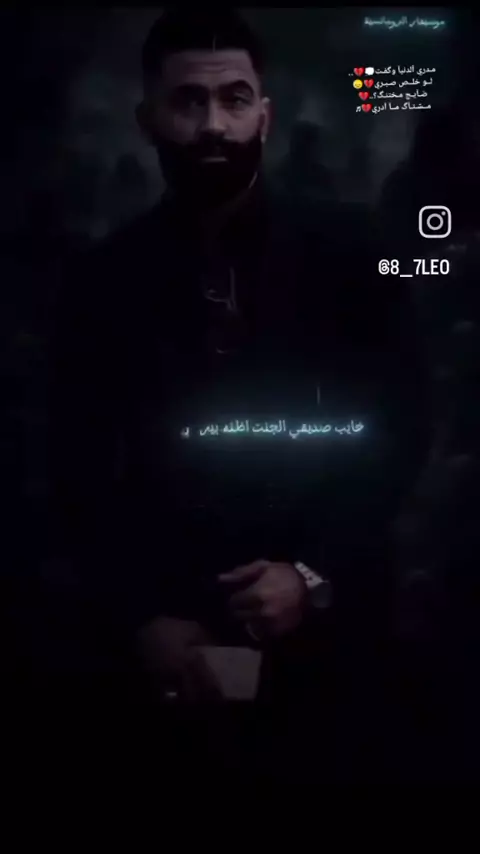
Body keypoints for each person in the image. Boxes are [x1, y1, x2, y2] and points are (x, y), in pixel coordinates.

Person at [47, 8, 430, 779]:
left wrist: (312, 574)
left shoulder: (352, 250)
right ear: (148, 119)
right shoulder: (100, 281)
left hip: (336, 656)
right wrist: (141, 616)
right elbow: (74, 468)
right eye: (189, 101)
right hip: (169, 652)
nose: (214, 124)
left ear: (266, 115)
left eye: (234, 99)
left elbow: (402, 429)